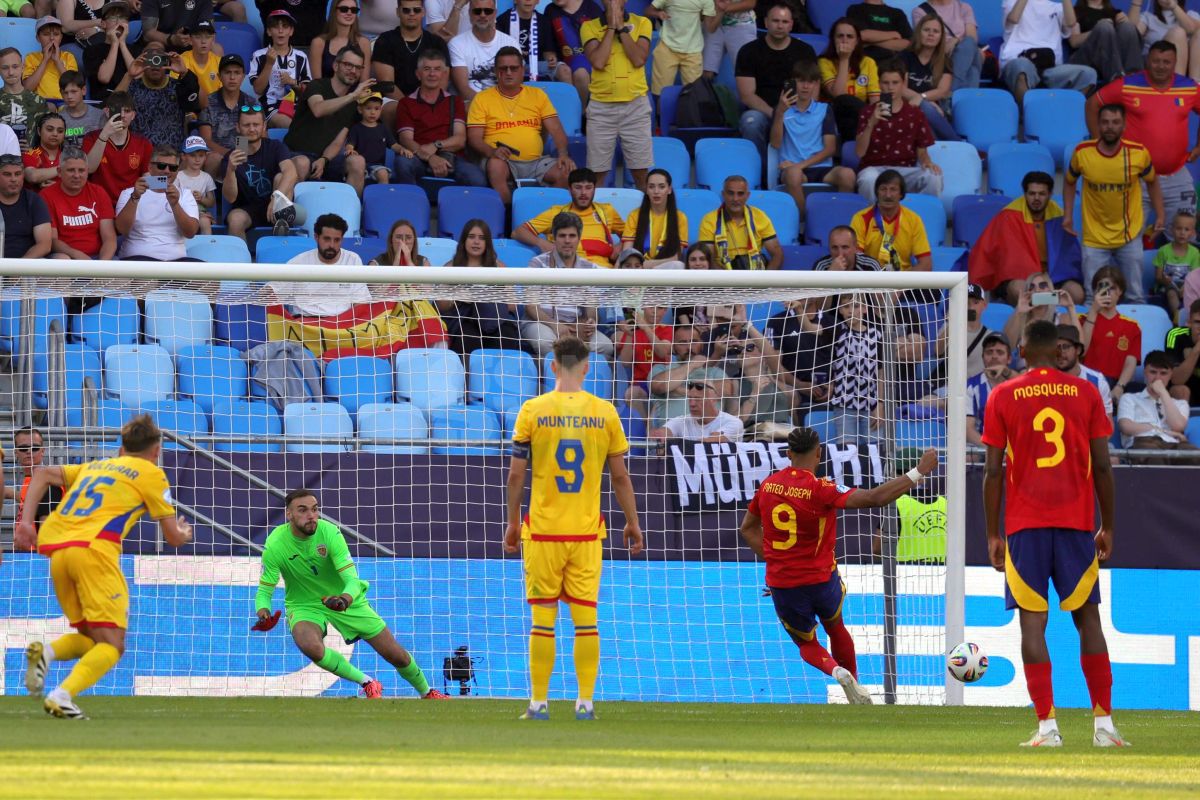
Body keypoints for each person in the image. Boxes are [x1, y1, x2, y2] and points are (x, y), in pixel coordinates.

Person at [981, 319, 1124, 748]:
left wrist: (992, 534)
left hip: (1025, 525)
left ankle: (1047, 728)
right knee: (1088, 618)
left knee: (1032, 623)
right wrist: (1108, 525)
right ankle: (1104, 726)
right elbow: (1103, 466)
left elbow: (992, 472)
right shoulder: (1086, 392)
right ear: (1059, 352)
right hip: (1076, 522)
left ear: (1022, 351)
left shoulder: (1003, 394)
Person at [739, 427, 937, 705]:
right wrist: (918, 471)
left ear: (788, 454)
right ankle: (855, 684)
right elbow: (874, 498)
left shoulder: (768, 486)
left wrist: (779, 564)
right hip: (822, 580)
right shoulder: (822, 489)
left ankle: (835, 671)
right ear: (819, 453)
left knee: (807, 643)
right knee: (835, 626)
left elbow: (747, 529)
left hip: (784, 582)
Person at [16, 415, 193, 720]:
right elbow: (173, 538)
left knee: (92, 639)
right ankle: (61, 696)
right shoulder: (152, 474)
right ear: (156, 451)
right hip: (94, 553)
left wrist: (25, 523)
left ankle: (47, 653)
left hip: (58, 553)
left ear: (121, 449)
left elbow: (42, 474)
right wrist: (183, 532)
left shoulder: (96, 466)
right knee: (113, 645)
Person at [503, 334, 643, 721]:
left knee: (542, 620)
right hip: (586, 534)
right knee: (586, 620)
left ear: (552, 366)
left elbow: (516, 476)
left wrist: (512, 522)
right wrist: (632, 522)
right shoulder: (605, 412)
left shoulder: (533, 410)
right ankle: (585, 702)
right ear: (586, 368)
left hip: (543, 532)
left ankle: (538, 704)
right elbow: (620, 477)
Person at [252, 488, 448, 700]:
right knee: (311, 646)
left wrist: (344, 600)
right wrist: (263, 612)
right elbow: (265, 590)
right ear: (289, 514)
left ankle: (427, 692)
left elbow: (352, 581)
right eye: (303, 510)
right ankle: (368, 683)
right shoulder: (275, 544)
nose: (311, 515)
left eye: (315, 509)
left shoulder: (330, 533)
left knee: (395, 654)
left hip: (345, 598)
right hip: (304, 604)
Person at [1090, 41, 1200, 239]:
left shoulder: (1189, 87)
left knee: (1185, 241)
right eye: (1156, 61)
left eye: (1166, 62)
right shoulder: (1128, 84)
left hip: (1176, 176)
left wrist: (1199, 146)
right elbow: (1093, 104)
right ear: (1147, 61)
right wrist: (1099, 143)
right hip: (1135, 177)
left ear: (1175, 63)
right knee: (1127, 239)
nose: (1161, 66)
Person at [1063, 103, 1163, 303]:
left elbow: (1152, 182)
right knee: (1094, 298)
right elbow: (1069, 181)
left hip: (1129, 235)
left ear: (1124, 125)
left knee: (1134, 296)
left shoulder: (1138, 153)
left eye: (1115, 122)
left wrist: (1160, 214)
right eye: (1105, 122)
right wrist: (1067, 216)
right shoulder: (1082, 152)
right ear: (1098, 125)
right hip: (1094, 237)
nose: (1110, 127)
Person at [467, 46, 573, 204]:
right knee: (496, 167)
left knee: (566, 171)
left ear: (522, 70)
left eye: (514, 68)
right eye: (503, 68)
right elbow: (474, 138)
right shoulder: (482, 98)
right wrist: (492, 151)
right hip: (502, 160)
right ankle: (510, 213)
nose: (509, 72)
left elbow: (556, 129)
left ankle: (544, 212)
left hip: (536, 161)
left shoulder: (538, 95)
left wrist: (563, 154)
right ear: (496, 71)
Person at [969, 171, 1085, 306]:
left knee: (1076, 293)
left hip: (1052, 278)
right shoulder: (1008, 216)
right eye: (1032, 193)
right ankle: (1045, 304)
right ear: (1025, 194)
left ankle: (1045, 307)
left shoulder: (1058, 216)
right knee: (1018, 289)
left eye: (1042, 194)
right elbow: (987, 253)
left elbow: (1068, 258)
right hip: (1021, 278)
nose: (1036, 198)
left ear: (1050, 194)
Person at [520, 212, 614, 357]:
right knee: (547, 343)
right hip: (542, 323)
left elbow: (592, 307)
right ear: (554, 237)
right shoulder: (537, 263)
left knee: (605, 346)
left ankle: (576, 371)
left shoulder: (589, 268)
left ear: (579, 238)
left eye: (572, 236)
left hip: (574, 326)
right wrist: (555, 325)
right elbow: (531, 307)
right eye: (562, 236)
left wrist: (591, 321)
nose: (567, 241)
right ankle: (560, 372)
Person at [580, 0, 653, 188]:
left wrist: (621, 28)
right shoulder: (588, 27)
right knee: (597, 174)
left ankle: (645, 208)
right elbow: (598, 61)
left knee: (641, 173)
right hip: (601, 108)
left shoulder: (642, 22)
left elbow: (639, 59)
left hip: (636, 107)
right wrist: (611, 28)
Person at [770, 59, 855, 215]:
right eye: (801, 81)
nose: (806, 86)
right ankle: (806, 221)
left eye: (810, 82)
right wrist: (780, 113)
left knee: (847, 175)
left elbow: (830, 149)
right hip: (793, 170)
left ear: (816, 84)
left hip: (821, 168)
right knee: (793, 174)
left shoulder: (824, 109)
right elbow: (775, 144)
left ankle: (838, 218)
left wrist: (800, 165)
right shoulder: (781, 109)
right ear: (793, 82)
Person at [285, 45, 372, 194]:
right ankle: (290, 209)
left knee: (357, 162)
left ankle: (351, 208)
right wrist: (352, 96)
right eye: (348, 65)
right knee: (302, 162)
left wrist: (324, 159)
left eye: (358, 67)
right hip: (296, 153)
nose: (353, 71)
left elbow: (338, 141)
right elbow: (318, 109)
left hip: (325, 159)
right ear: (335, 65)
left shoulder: (352, 104)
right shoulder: (316, 85)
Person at [393, 49, 487, 187]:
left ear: (444, 74)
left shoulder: (455, 101)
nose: (432, 74)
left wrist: (435, 146)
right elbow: (406, 140)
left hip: (452, 157)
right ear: (418, 74)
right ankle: (411, 199)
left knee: (476, 179)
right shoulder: (406, 103)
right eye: (427, 69)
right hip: (419, 156)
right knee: (402, 163)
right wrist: (431, 157)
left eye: (437, 69)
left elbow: (460, 139)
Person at [853, 58, 942, 201]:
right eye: (885, 83)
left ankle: (923, 214)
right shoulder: (867, 112)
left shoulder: (915, 114)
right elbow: (859, 152)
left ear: (903, 83)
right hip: (874, 169)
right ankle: (871, 215)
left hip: (905, 171)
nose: (890, 87)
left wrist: (927, 162)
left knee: (933, 176)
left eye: (895, 82)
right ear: (879, 84)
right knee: (868, 178)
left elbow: (922, 152)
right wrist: (871, 123)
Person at [735, 2, 816, 152]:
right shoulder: (748, 51)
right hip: (762, 111)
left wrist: (797, 114)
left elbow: (813, 89)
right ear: (766, 22)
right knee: (751, 121)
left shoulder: (805, 51)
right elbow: (747, 96)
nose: (780, 26)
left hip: (797, 110)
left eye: (784, 22)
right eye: (775, 21)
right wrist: (776, 114)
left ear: (791, 25)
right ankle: (759, 165)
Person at [270, 214, 373, 317]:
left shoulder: (352, 260)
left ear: (342, 239)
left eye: (337, 240)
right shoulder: (299, 263)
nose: (331, 245)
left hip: (342, 322)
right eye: (327, 239)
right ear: (316, 237)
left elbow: (361, 302)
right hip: (304, 322)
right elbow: (271, 292)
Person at [221, 106, 301, 238]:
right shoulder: (231, 157)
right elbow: (230, 197)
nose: (252, 129)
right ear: (238, 127)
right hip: (247, 209)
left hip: (277, 202)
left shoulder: (275, 146)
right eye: (246, 125)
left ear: (264, 126)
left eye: (256, 124)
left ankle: (281, 226)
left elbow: (291, 172)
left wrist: (276, 197)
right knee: (235, 220)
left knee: (281, 177)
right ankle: (241, 253)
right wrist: (230, 170)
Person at [516, 166, 621, 266]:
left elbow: (629, 234)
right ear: (570, 190)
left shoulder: (607, 211)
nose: (583, 193)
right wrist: (541, 243)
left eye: (588, 188)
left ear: (594, 190)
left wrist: (620, 247)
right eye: (578, 187)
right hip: (567, 271)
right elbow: (518, 232)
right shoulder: (556, 213)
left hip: (602, 272)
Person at [999, 0, 1097, 105]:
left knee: (1088, 74)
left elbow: (1071, 23)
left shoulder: (1057, 8)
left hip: (1050, 68)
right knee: (1021, 66)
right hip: (1020, 59)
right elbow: (1013, 19)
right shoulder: (1011, 2)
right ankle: (1028, 113)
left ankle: (1065, 110)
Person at [115, 144, 200, 260]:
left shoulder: (185, 194)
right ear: (150, 168)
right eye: (161, 166)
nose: (167, 171)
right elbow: (122, 230)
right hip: (138, 259)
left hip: (176, 261)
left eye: (172, 168)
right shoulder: (129, 193)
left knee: (208, 271)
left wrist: (175, 204)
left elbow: (190, 233)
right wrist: (135, 197)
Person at [1116, 349, 1199, 460]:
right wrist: (1161, 430)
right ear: (1145, 372)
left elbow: (1178, 426)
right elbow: (1126, 427)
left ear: (1171, 375)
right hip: (1143, 442)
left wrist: (1163, 393)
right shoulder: (1129, 398)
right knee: (1152, 454)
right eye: (1153, 372)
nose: (1157, 378)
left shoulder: (1180, 404)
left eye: (1163, 373)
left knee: (1194, 455)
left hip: (1173, 444)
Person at [766, 296, 836, 423]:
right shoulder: (777, 322)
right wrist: (799, 384)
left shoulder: (832, 321)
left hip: (829, 392)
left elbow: (843, 359)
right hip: (793, 390)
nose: (801, 293)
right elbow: (773, 365)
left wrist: (834, 384)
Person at [120, 42, 200, 149]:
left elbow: (196, 103)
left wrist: (184, 72)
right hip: (138, 152)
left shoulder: (177, 86)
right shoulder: (133, 86)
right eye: (150, 58)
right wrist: (129, 75)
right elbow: (113, 108)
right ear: (142, 61)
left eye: (159, 58)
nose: (155, 63)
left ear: (166, 60)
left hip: (172, 153)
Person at [42, 146, 117, 260]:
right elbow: (52, 241)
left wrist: (102, 265)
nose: (77, 175)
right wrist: (77, 256)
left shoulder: (99, 192)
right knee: (62, 259)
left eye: (81, 170)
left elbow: (109, 238)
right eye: (71, 170)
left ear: (87, 171)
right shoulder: (47, 196)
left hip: (98, 258)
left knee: (119, 267)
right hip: (67, 256)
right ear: (59, 172)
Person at [696, 174, 784, 270]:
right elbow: (708, 259)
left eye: (740, 194)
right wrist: (728, 279)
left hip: (756, 273)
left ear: (747, 196)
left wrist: (765, 278)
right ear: (723, 194)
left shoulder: (760, 216)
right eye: (730, 193)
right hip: (722, 274)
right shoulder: (709, 220)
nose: (735, 199)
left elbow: (777, 255)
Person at [850, 169, 931, 271]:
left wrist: (901, 279)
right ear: (877, 193)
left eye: (893, 189)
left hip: (903, 277)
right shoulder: (861, 218)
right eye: (883, 189)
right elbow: (856, 260)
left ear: (901, 194)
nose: (888, 195)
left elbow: (926, 264)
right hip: (870, 277)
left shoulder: (914, 220)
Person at [1080, 267, 1141, 400]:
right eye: (1101, 287)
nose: (1106, 292)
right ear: (1095, 291)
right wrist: (1093, 311)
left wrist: (1119, 387)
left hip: (1116, 383)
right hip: (1087, 382)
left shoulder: (1132, 326)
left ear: (1120, 291)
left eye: (1111, 288)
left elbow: (1130, 362)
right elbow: (1081, 351)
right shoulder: (1081, 320)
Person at [372, 0, 451, 100]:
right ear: (398, 12)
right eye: (406, 10)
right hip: (394, 101)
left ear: (423, 12)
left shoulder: (437, 42)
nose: (412, 14)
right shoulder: (385, 40)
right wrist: (409, 106)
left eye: (416, 10)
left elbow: (443, 79)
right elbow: (387, 85)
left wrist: (427, 104)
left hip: (432, 101)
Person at [818, 18, 880, 143]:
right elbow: (838, 95)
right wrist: (844, 59)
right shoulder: (824, 62)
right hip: (834, 114)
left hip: (861, 117)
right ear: (833, 39)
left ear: (857, 41)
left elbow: (875, 100)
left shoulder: (868, 62)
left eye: (850, 36)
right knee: (845, 101)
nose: (844, 40)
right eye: (840, 36)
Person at [900, 15, 960, 141]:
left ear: (941, 37)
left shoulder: (944, 61)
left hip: (935, 113)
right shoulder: (905, 56)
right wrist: (925, 102)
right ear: (919, 32)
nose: (931, 34)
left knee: (926, 122)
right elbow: (901, 89)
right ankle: (957, 143)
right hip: (907, 107)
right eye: (926, 30)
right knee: (925, 111)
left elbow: (943, 91)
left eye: (936, 31)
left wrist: (922, 98)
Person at [251, 10, 313, 130]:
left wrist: (293, 82)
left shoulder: (301, 57)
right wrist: (269, 64)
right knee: (293, 126)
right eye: (275, 26)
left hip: (297, 107)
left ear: (291, 31)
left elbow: (307, 92)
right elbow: (258, 89)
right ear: (269, 31)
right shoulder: (259, 55)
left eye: (285, 26)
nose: (280, 31)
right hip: (270, 107)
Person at [197, 55, 258, 176]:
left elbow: (261, 136)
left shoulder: (252, 103)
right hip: (218, 156)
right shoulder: (208, 102)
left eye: (237, 73)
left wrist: (241, 154)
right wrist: (230, 154)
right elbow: (206, 140)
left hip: (244, 154)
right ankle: (210, 189)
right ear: (219, 76)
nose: (232, 77)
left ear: (243, 77)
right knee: (214, 158)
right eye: (227, 72)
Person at [1003, 271, 1081, 363]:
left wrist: (1071, 308)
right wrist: (1018, 312)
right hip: (1024, 370)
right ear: (1027, 292)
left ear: (1050, 290)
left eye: (1043, 286)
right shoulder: (1020, 318)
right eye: (1032, 287)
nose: (1037, 290)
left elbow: (1080, 348)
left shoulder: (1062, 318)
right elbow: (1006, 349)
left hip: (1054, 369)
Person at [449, 0, 519, 103]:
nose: (482, 15)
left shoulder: (511, 43)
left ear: (495, 13)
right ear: (469, 13)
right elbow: (463, 88)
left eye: (488, 11)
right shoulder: (456, 44)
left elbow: (516, 83)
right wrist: (489, 107)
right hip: (472, 107)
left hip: (505, 105)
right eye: (477, 11)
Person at [645, 0, 717, 98]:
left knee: (695, 94)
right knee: (660, 93)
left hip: (693, 50)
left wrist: (721, 11)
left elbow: (710, 28)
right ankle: (659, 108)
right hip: (667, 46)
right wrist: (658, 13)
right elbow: (647, 11)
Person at [621, 167, 687, 268]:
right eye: (651, 187)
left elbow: (676, 256)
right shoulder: (634, 215)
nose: (656, 191)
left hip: (664, 267)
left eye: (661, 187)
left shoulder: (680, 217)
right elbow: (627, 252)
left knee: (678, 265)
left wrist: (650, 264)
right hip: (639, 268)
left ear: (669, 190)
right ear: (646, 190)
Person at [911, 0, 983, 90]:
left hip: (965, 51)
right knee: (973, 70)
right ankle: (961, 94)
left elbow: (972, 37)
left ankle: (953, 91)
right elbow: (924, 39)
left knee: (968, 46)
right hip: (941, 53)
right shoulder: (920, 11)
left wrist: (956, 40)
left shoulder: (963, 7)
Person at [615, 304, 672, 416]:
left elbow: (662, 352)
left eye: (660, 308)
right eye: (651, 306)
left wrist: (645, 328)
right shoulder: (632, 331)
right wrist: (629, 335)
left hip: (662, 382)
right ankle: (644, 425)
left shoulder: (667, 329)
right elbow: (625, 362)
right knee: (631, 394)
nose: (655, 311)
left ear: (665, 310)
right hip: (641, 383)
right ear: (643, 306)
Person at [1068, 0, 1144, 84]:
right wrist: (1097, 31)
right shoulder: (1076, 11)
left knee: (1127, 26)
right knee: (1104, 26)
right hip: (1085, 60)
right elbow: (1074, 42)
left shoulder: (1115, 13)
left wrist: (1126, 22)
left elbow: (1132, 35)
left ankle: (1134, 77)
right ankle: (1115, 78)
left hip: (1113, 60)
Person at [83, 0, 143, 103]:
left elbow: (137, 75)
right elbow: (104, 78)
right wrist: (115, 43)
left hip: (134, 101)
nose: (119, 22)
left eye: (123, 18)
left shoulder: (136, 49)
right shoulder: (92, 50)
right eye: (113, 18)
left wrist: (122, 43)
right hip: (104, 102)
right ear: (103, 24)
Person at [4, 427, 63, 530]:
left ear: (42, 451)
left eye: (34, 448)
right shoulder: (33, 481)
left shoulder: (49, 485)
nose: (29, 451)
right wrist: (10, 493)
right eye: (23, 448)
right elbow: (30, 497)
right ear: (15, 452)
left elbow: (46, 532)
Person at [347, 91, 412, 185]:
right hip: (360, 165)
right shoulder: (356, 128)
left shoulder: (383, 128)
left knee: (383, 174)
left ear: (381, 110)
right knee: (357, 174)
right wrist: (349, 150)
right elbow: (350, 144)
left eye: (376, 109)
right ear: (360, 109)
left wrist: (402, 149)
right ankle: (357, 195)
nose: (373, 112)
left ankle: (383, 194)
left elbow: (393, 145)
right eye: (368, 108)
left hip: (377, 165)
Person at [545, 0, 604, 103]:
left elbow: (603, 42)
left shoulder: (592, 7)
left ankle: (582, 110)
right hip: (564, 63)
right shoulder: (550, 10)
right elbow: (548, 44)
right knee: (565, 71)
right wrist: (550, 57)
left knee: (580, 73)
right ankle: (572, 110)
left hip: (589, 60)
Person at [965, 331, 1017, 446]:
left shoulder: (1019, 385)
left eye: (1000, 352)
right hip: (983, 449)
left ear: (1009, 359)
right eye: (989, 352)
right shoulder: (971, 386)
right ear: (983, 357)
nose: (994, 356)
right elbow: (968, 429)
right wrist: (993, 451)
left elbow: (1033, 383)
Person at [0, 152, 52, 259]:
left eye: (18, 174)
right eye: (7, 174)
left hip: (27, 264)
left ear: (23, 175)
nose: (13, 179)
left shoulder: (34, 201)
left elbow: (44, 244)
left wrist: (19, 267)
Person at [1130, 0, 1200, 79]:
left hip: (1189, 66)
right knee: (1178, 33)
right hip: (1158, 63)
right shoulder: (1148, 17)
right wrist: (1137, 3)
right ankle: (1178, 83)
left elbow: (1191, 29)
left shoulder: (1191, 15)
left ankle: (1197, 83)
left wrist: (1174, 7)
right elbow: (1131, 35)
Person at [657, 378, 743, 441]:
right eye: (690, 398)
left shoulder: (733, 422)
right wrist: (660, 436)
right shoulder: (682, 421)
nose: (692, 404)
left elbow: (711, 442)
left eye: (698, 399)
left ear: (713, 399)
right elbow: (664, 432)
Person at [1153, 209, 1200, 322]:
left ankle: (1192, 317)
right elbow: (1158, 276)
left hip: (1187, 286)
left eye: (1186, 229)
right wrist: (1165, 280)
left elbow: (1195, 278)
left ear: (1192, 233)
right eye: (1179, 228)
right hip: (1167, 286)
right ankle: (1177, 318)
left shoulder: (1195, 253)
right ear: (1172, 229)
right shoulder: (1163, 251)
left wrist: (1186, 288)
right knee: (1172, 293)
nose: (1182, 233)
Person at [1056, 323, 1114, 415]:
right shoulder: (1043, 380)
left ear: (1078, 350)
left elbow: (1107, 421)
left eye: (1065, 347)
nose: (1059, 353)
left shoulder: (1097, 381)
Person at [0, 47, 51, 150]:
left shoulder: (38, 102)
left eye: (15, 66)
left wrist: (31, 152)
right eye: (5, 68)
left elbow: (48, 143)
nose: (11, 72)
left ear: (22, 67)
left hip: (30, 158)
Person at [497, 0, 559, 81]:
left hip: (537, 65)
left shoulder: (544, 21)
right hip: (510, 66)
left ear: (538, 1)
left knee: (564, 70)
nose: (528, 1)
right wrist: (518, 53)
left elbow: (548, 51)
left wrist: (551, 59)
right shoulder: (502, 20)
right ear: (515, 1)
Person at [311, 0, 374, 80]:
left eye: (354, 10)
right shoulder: (319, 43)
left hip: (357, 88)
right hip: (323, 88)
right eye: (344, 9)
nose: (349, 13)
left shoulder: (363, 43)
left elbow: (364, 81)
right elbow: (316, 83)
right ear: (334, 12)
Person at [24, 16, 77, 101]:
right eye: (46, 34)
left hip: (65, 102)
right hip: (40, 102)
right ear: (38, 38)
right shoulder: (31, 57)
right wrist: (45, 60)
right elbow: (27, 88)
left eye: (56, 34)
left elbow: (74, 87)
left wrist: (57, 61)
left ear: (61, 38)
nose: (52, 38)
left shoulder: (68, 57)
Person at [702, 0, 756, 81]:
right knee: (706, 71)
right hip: (713, 21)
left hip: (742, 24)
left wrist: (723, 8)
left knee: (746, 72)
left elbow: (750, 3)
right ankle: (705, 89)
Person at [176, 135, 216, 235]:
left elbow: (211, 202)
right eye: (192, 155)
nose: (197, 159)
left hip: (200, 213)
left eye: (201, 155)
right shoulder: (177, 176)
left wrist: (201, 199)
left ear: (205, 157)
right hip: (182, 212)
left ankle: (207, 244)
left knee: (205, 222)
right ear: (183, 156)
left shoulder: (206, 177)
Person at [57, 71, 106, 149]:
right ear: (61, 93)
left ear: (83, 90)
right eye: (65, 93)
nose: (69, 96)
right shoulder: (58, 119)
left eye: (73, 91)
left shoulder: (99, 115)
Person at [179, 21, 224, 101]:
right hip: (188, 106)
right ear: (190, 40)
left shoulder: (219, 62)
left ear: (213, 39)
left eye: (208, 37)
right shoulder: (181, 61)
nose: (203, 41)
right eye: (198, 37)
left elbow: (224, 94)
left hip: (214, 106)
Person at [1167, 298, 1200, 400]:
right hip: (1185, 387)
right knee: (1181, 391)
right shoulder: (1175, 335)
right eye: (1198, 322)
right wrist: (1196, 350)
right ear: (1189, 322)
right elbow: (1176, 379)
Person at [23, 111, 64, 191]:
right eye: (50, 129)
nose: (55, 134)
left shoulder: (69, 156)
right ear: (39, 131)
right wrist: (66, 168)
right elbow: (32, 176)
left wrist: (59, 186)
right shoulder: (31, 153)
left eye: (60, 131)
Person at [813, 225, 882, 271]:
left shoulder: (870, 265)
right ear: (829, 249)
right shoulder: (822, 266)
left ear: (856, 248)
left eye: (845, 247)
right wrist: (831, 274)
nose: (840, 254)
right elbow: (813, 289)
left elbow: (883, 289)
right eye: (834, 247)